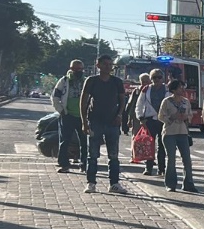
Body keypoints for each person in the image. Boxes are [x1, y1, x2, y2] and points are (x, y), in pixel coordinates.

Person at [78, 55, 128, 194]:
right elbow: (83, 101)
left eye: (110, 64)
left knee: (113, 155)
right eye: (105, 64)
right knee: (92, 155)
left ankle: (114, 184)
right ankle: (91, 183)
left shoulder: (117, 82)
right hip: (95, 121)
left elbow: (122, 100)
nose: (108, 67)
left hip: (112, 122)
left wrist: (119, 115)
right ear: (98, 65)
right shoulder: (91, 81)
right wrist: (84, 122)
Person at [158, 79, 197, 193]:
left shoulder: (186, 101)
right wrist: (171, 118)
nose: (182, 89)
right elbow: (160, 116)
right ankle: (170, 184)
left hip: (183, 132)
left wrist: (186, 117)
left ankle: (188, 183)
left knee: (187, 159)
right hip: (169, 132)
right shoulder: (167, 101)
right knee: (171, 159)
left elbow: (190, 114)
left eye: (183, 87)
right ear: (173, 89)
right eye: (180, 87)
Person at [51, 59, 88, 173]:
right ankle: (64, 164)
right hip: (68, 115)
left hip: (83, 116)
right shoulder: (64, 81)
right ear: (71, 69)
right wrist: (61, 110)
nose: (78, 71)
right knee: (64, 141)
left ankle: (84, 165)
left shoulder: (86, 81)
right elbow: (55, 96)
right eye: (75, 69)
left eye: (80, 69)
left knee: (84, 142)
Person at [134, 69, 169, 176]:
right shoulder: (146, 89)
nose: (157, 80)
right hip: (150, 120)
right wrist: (140, 118)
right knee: (148, 144)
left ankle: (161, 168)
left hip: (164, 120)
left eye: (159, 77)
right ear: (151, 79)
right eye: (154, 77)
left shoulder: (168, 89)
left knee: (162, 145)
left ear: (163, 78)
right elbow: (139, 104)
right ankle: (148, 168)